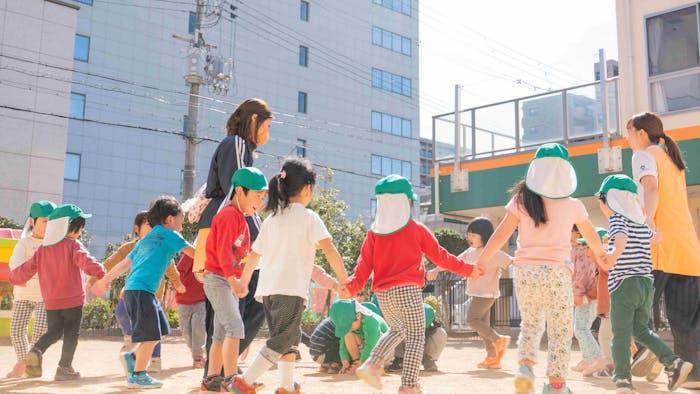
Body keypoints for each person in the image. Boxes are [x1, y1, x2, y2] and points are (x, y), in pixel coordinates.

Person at [475, 143, 605, 394]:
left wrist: (482, 261)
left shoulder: (521, 201)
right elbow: (591, 237)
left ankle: (525, 369)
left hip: (525, 271)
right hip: (557, 273)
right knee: (560, 329)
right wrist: (602, 256)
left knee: (531, 324)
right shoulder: (573, 204)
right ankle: (556, 385)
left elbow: (502, 233)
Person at [342, 174, 480, 394]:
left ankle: (372, 364)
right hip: (407, 290)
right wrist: (469, 270)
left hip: (383, 294)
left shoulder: (373, 233)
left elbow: (363, 268)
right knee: (416, 335)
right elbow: (440, 257)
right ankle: (409, 385)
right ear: (407, 203)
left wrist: (350, 288)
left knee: (398, 330)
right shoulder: (416, 229)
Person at [232, 157, 350, 394]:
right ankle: (243, 382)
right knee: (282, 340)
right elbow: (330, 250)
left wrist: (244, 281)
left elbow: (254, 255)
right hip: (290, 290)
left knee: (288, 339)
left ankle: (286, 386)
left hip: (268, 292)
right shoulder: (308, 218)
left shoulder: (272, 219)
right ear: (308, 188)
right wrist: (345, 281)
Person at [194, 98, 272, 378]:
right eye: (267, 126)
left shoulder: (239, 147)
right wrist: (264, 241)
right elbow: (237, 192)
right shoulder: (238, 145)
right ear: (253, 121)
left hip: (222, 234)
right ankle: (221, 374)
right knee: (242, 304)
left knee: (228, 315)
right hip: (228, 236)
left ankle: (217, 372)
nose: (267, 134)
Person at [596, 174, 693, 392]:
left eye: (600, 201)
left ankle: (622, 378)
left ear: (609, 200)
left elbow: (620, 240)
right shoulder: (639, 222)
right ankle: (674, 363)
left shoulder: (617, 220)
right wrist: (648, 226)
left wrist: (612, 254)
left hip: (624, 284)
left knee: (619, 334)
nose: (601, 206)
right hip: (645, 284)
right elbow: (657, 237)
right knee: (640, 331)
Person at [624, 112, 700, 389]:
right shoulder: (674, 161)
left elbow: (651, 189)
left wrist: (647, 224)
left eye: (628, 131)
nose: (627, 137)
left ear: (641, 132)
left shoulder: (645, 156)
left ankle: (652, 353)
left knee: (633, 307)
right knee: (686, 321)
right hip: (688, 250)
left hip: (659, 245)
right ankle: (694, 376)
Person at [96, 196, 193, 389]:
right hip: (142, 292)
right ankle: (138, 375)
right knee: (150, 336)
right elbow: (195, 254)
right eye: (181, 216)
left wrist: (106, 280)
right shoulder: (171, 235)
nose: (183, 220)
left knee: (160, 330)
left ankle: (132, 357)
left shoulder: (145, 240)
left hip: (134, 291)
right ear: (169, 219)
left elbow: (124, 264)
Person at [9, 204, 106, 381]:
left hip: (51, 301)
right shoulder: (73, 245)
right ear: (71, 227)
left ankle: (36, 350)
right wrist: (101, 272)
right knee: (71, 335)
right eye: (79, 228)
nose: (80, 233)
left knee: (53, 331)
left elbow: (27, 269)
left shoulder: (43, 249)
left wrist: (14, 278)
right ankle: (64, 368)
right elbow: (86, 262)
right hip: (73, 300)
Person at [200, 167, 268, 392]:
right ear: (240, 191)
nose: (260, 199)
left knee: (220, 333)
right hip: (219, 279)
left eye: (263, 195)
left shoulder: (241, 217)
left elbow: (242, 254)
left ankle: (211, 381)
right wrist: (233, 280)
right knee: (235, 327)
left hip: (225, 280)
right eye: (257, 194)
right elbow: (223, 252)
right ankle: (230, 381)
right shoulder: (230, 215)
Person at [428, 217, 513, 370]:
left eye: (474, 235)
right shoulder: (470, 252)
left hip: (486, 294)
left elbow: (511, 261)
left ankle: (499, 340)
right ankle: (492, 357)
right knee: (483, 326)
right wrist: (436, 270)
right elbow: (452, 262)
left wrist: (531, 260)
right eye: (469, 235)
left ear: (485, 236)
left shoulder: (492, 252)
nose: (469, 238)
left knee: (472, 320)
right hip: (478, 294)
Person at [6, 200, 55, 378]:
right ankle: (25, 362)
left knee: (41, 328)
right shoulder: (25, 243)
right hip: (23, 294)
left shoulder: (55, 245)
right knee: (16, 331)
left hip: (45, 295)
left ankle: (30, 361)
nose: (48, 225)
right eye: (44, 221)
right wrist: (20, 275)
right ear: (33, 222)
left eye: (52, 221)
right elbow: (15, 262)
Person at [570, 226, 608, 376]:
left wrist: (581, 294)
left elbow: (584, 274)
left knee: (581, 328)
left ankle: (598, 358)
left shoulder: (583, 249)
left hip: (588, 294)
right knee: (581, 326)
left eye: (569, 230)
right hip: (586, 293)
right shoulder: (577, 248)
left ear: (578, 232)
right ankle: (586, 359)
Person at [330, 299, 389, 375]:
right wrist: (345, 361)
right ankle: (356, 361)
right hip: (366, 352)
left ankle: (375, 367)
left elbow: (371, 344)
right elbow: (343, 343)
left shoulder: (372, 320)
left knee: (379, 336)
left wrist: (361, 364)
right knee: (348, 334)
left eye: (349, 326)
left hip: (383, 354)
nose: (348, 328)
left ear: (358, 316)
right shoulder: (353, 322)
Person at [176, 254, 206, 368]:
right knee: (186, 331)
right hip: (183, 299)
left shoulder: (213, 255)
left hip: (202, 299)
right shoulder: (191, 254)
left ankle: (198, 356)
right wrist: (178, 285)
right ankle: (196, 351)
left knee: (198, 325)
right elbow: (179, 271)